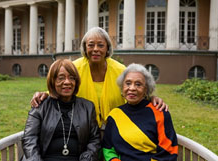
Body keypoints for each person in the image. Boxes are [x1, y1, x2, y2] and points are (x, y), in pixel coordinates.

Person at [31, 27, 168, 128]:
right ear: (85, 48)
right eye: (91, 45)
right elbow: (61, 88)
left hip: (117, 130)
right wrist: (44, 95)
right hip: (83, 131)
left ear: (107, 48)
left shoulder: (121, 71)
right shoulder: (73, 69)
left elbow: (135, 90)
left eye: (100, 45)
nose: (95, 49)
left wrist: (152, 98)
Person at [22, 59, 100, 161]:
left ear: (76, 82)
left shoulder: (88, 107)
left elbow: (94, 140)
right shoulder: (40, 106)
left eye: (71, 78)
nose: (67, 82)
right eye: (61, 78)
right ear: (52, 81)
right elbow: (29, 139)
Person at [102, 63, 178, 161]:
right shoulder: (114, 115)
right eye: (128, 83)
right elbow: (108, 149)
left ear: (146, 89)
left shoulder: (160, 112)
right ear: (122, 87)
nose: (132, 88)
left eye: (138, 84)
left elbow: (169, 151)